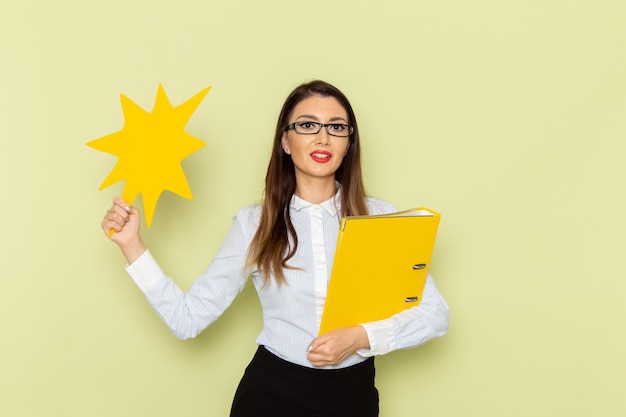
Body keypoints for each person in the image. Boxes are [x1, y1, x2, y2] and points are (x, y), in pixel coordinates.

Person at [101, 80, 449, 417]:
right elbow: (187, 320)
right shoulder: (254, 224)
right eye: (308, 125)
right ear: (285, 141)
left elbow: (434, 314)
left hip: (353, 395)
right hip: (270, 396)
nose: (323, 137)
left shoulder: (381, 217)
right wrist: (132, 245)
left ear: (349, 143)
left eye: (337, 127)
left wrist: (362, 337)